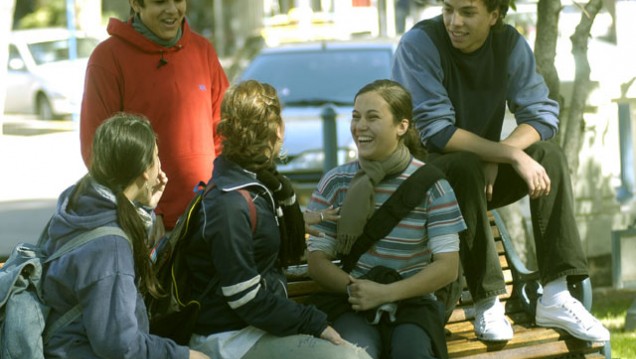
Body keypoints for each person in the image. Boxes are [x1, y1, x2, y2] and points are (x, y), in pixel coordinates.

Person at [392, 0, 610, 343]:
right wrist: (506, 154)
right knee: (464, 166)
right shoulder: (419, 44)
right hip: (425, 182)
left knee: (547, 155)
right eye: (448, 9)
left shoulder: (508, 43)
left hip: (477, 176)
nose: (454, 22)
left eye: (467, 12)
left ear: (494, 15)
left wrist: (501, 157)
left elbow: (540, 115)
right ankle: (487, 300)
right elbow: (437, 131)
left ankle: (555, 294)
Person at [184, 80, 371, 359]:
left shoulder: (257, 183)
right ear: (277, 130)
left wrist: (290, 224)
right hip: (229, 338)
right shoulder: (230, 202)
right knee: (352, 358)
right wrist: (314, 322)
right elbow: (244, 297)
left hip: (256, 325)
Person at [305, 79, 466, 359]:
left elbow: (447, 268)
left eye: (373, 117)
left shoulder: (432, 185)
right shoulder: (337, 182)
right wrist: (356, 289)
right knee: (356, 352)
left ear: (402, 126)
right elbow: (317, 261)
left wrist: (387, 293)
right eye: (355, 117)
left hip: (412, 301)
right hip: (352, 300)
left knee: (411, 351)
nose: (360, 127)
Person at [41, 113, 209, 359]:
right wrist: (184, 356)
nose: (160, 165)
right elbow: (119, 346)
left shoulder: (78, 200)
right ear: (144, 172)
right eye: (156, 157)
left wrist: (143, 207)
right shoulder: (110, 248)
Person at [80, 0, 229, 237]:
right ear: (136, 4)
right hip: (147, 227)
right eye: (160, 2)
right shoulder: (107, 58)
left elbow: (225, 132)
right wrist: (145, 207)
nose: (172, 10)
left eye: (178, 0)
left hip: (209, 218)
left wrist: (222, 198)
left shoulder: (203, 50)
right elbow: (97, 151)